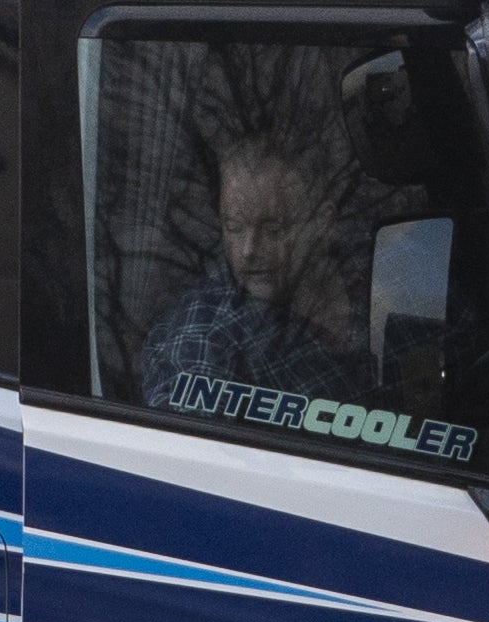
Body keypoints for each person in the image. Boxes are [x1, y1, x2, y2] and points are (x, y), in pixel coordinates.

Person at [138, 128, 385, 414]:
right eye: (234, 227)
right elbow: (186, 450)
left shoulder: (382, 270)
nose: (248, 250)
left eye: (272, 228)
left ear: (323, 224)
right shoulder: (208, 335)